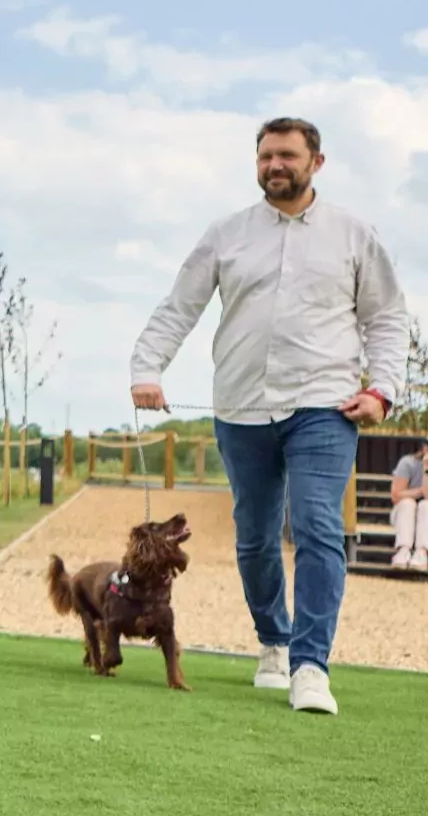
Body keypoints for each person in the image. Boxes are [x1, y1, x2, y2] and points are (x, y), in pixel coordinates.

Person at [130, 117, 408, 715]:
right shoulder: (226, 235)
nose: (274, 165)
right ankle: (273, 643)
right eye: (264, 157)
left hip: (324, 407)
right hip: (240, 408)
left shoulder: (354, 235)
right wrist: (146, 368)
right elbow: (180, 305)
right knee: (255, 541)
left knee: (316, 528)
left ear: (317, 162)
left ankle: (311, 667)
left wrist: (381, 389)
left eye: (286, 155)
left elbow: (386, 316)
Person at [390, 439, 428, 572]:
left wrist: (426, 471)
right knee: (408, 503)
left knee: (425, 505)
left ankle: (422, 552)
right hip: (403, 514)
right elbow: (396, 496)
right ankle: (403, 550)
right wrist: (419, 492)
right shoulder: (407, 463)